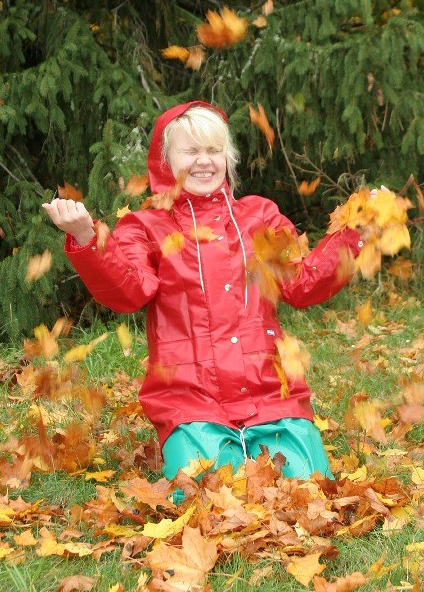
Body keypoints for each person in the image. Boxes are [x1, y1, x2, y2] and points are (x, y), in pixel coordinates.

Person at [42, 101, 362, 484]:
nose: (204, 162)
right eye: (191, 152)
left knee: (309, 489)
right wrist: (85, 237)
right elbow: (127, 291)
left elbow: (303, 282)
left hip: (272, 392)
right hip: (188, 400)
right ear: (165, 162)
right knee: (204, 497)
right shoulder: (145, 227)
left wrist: (356, 232)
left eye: (214, 151)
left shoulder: (259, 215)